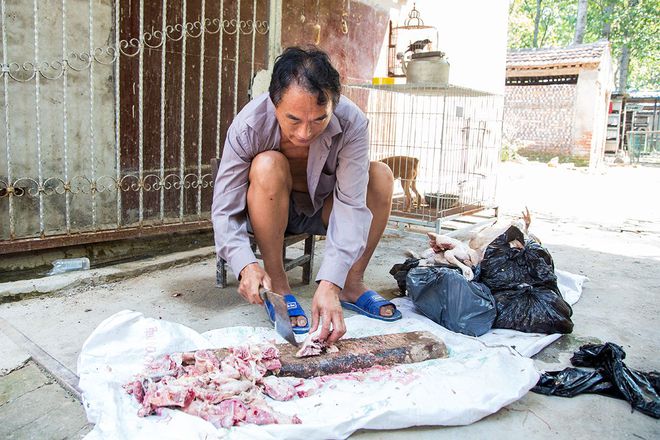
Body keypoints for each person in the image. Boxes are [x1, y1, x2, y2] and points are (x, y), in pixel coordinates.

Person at [212, 46, 402, 345]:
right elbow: (224, 208)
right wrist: (245, 264)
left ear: (334, 104)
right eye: (293, 120)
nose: (304, 133)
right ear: (274, 103)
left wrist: (331, 283)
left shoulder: (353, 123)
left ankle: (351, 284)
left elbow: (352, 205)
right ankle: (280, 288)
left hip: (325, 208)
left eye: (318, 119)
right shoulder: (249, 124)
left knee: (380, 177)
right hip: (271, 212)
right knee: (267, 164)